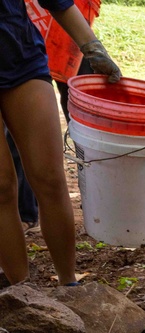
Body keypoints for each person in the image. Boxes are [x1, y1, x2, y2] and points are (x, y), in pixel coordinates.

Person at [0, 0, 120, 286]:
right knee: (1, 187)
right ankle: (22, 296)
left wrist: (93, 48)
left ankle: (70, 285)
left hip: (20, 55)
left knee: (50, 177)